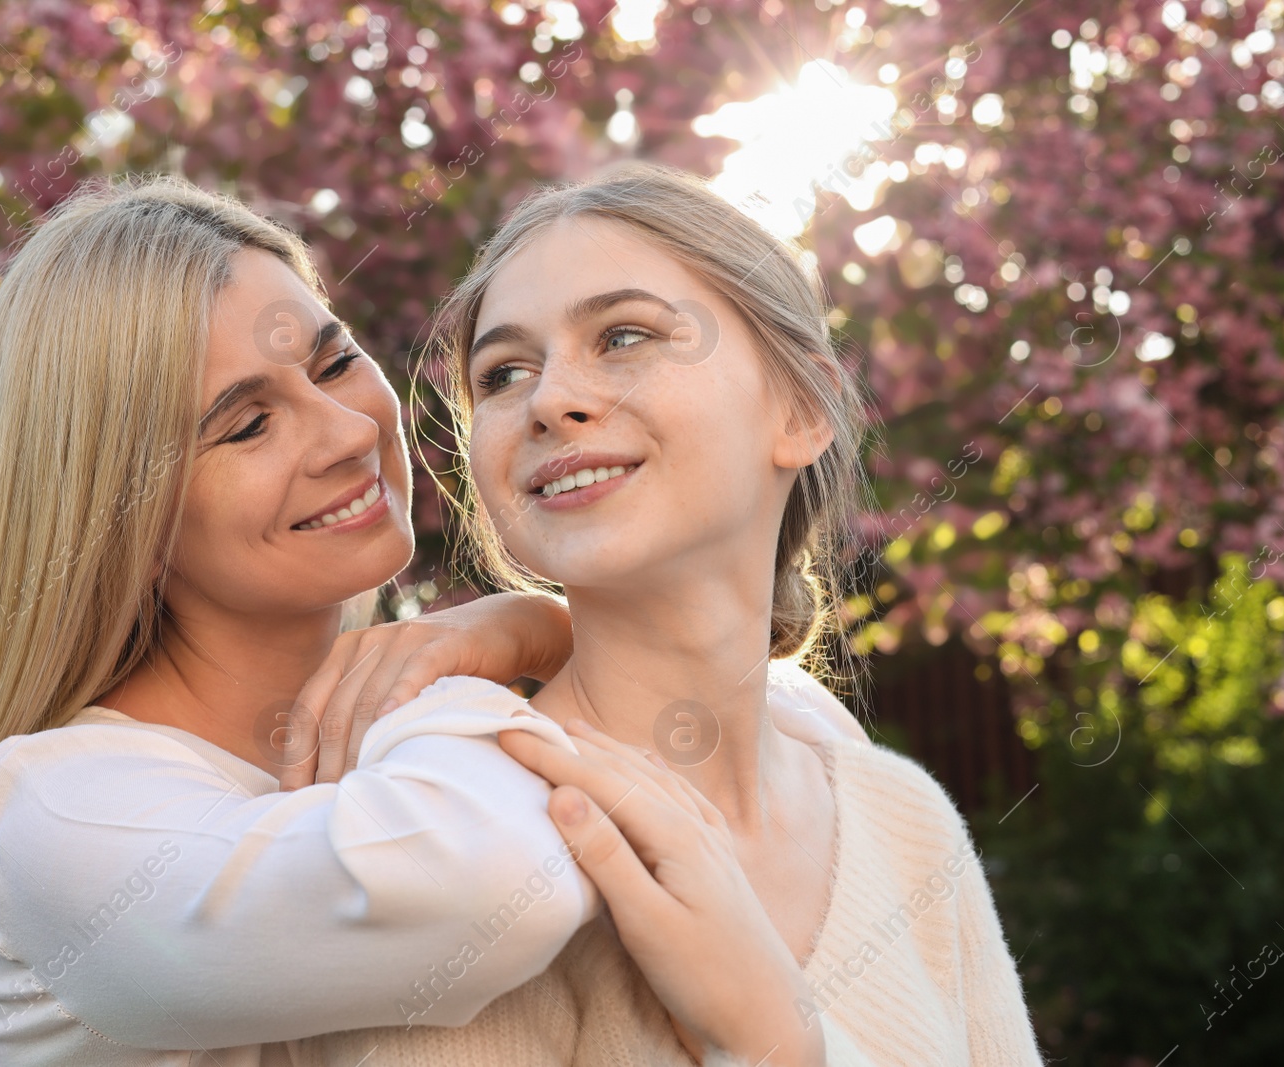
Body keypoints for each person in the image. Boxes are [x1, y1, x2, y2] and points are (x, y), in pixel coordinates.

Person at [0, 172, 853, 1066]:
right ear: (115, 515)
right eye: (248, 423)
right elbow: (495, 884)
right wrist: (515, 631)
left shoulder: (422, 743)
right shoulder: (57, 806)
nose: (350, 431)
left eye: (334, 360)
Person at [293, 163, 1047, 1066]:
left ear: (801, 407)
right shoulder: (461, 845)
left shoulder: (903, 817)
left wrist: (772, 1037)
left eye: (621, 336)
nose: (547, 400)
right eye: (503, 372)